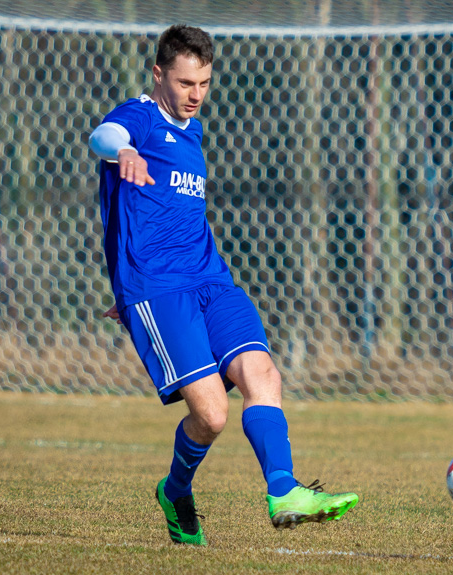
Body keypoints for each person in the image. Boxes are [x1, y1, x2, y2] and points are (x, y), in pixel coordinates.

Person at [88, 24, 358, 546]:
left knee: (264, 374)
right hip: (158, 287)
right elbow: (104, 135)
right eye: (186, 82)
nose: (196, 95)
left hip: (212, 277)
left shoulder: (195, 131)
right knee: (211, 416)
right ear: (159, 74)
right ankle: (175, 491)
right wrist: (123, 152)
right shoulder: (140, 117)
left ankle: (284, 491)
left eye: (205, 83)